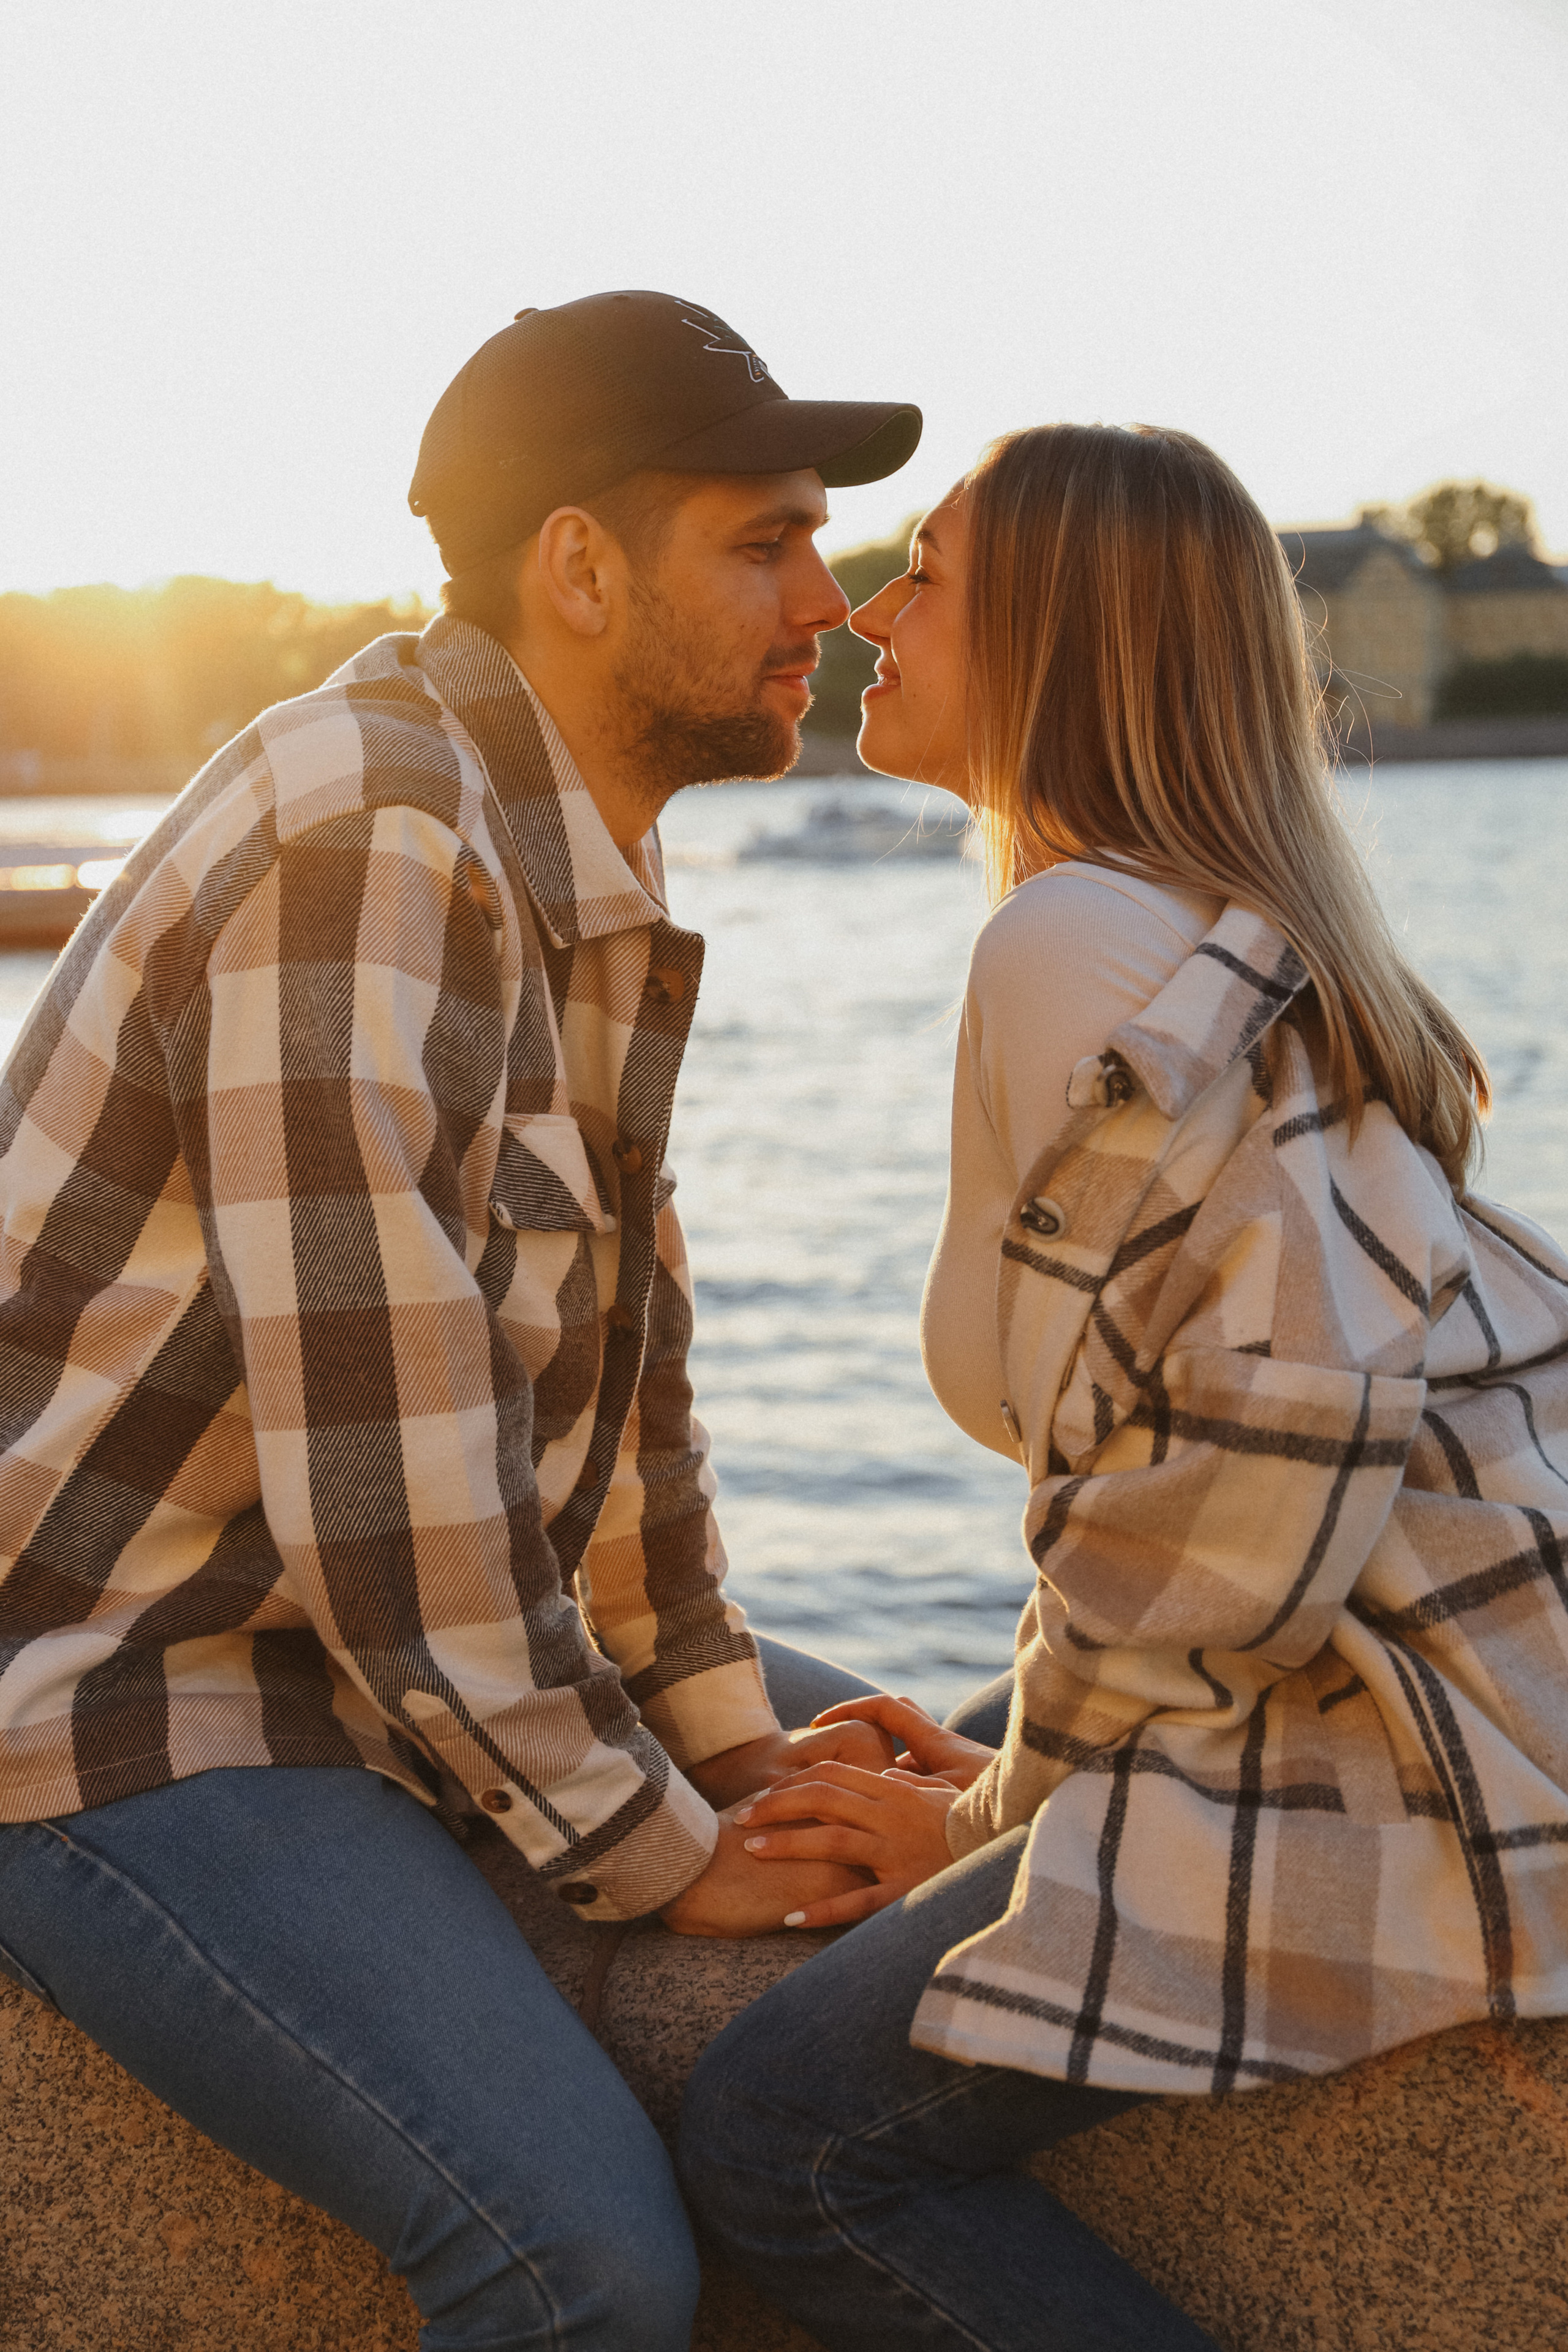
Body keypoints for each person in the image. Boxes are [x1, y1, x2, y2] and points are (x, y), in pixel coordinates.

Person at [0, 291, 922, 2351]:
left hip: (339, 1631)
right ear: (581, 567)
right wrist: (655, 1844)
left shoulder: (548, 851)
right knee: (577, 2265)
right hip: (133, 1678)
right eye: (763, 542)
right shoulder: (374, 836)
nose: (833, 598)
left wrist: (724, 1732)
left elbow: (619, 1403)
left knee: (951, 1820)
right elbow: (382, 1459)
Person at [679, 422, 1568, 2352]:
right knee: (819, 1729)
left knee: (779, 2137)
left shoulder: (1077, 947)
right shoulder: (1220, 930)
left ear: (1066, 642)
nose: (867, 614)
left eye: (930, 577)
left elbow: (1253, 1464)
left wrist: (996, 1814)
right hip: (1414, 1656)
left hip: (1406, 1749)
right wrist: (1005, 1763)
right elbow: (1195, 1459)